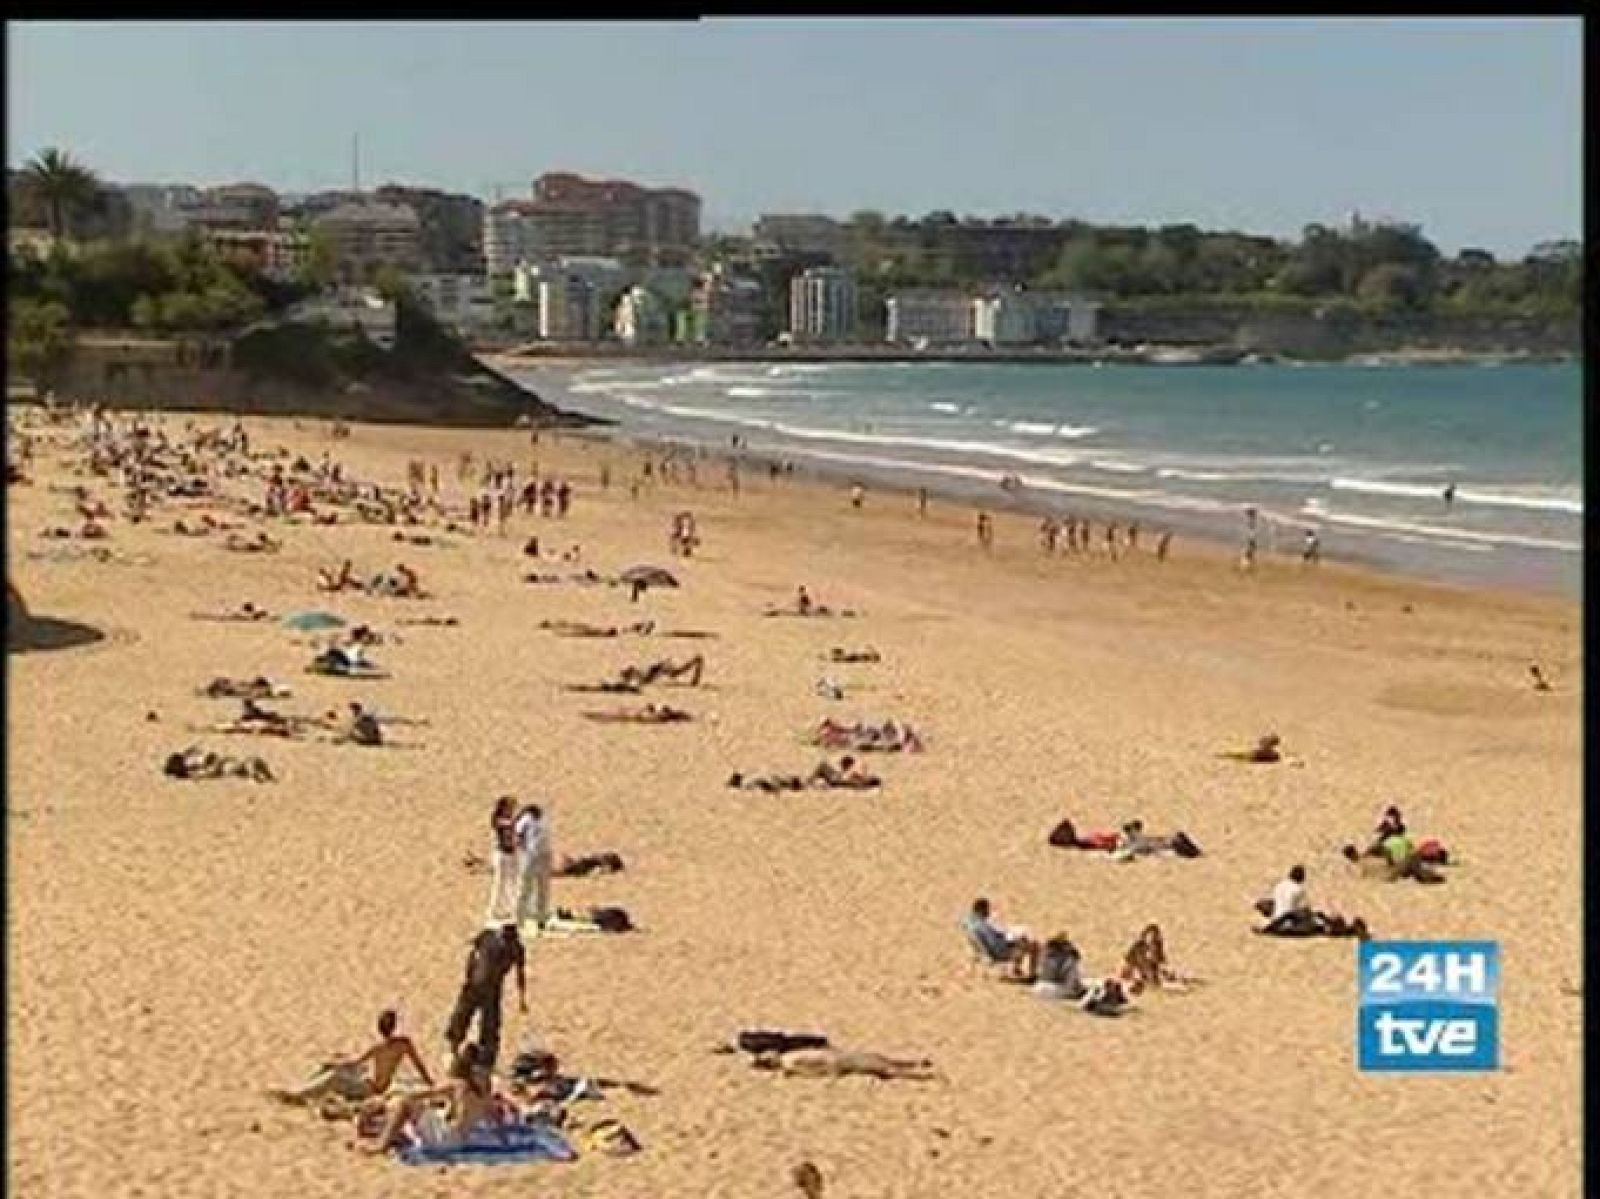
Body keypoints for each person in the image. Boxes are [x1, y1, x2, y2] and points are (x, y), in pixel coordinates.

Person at [363, 1042, 504, 1155]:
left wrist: (393, 1097)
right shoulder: (484, 1095)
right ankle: (384, 1136)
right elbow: (497, 1122)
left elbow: (423, 1093)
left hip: (444, 1139)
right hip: (459, 1143)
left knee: (405, 1104)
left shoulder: (457, 1084)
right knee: (414, 1118)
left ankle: (380, 1146)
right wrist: (505, 1142)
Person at [268, 1009, 433, 1104]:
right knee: (334, 1068)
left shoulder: (378, 1047)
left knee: (332, 1076)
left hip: (371, 1089)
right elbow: (419, 1065)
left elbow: (355, 1062)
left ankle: (299, 1093)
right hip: (377, 1083)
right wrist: (429, 1082)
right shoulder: (404, 1044)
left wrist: (335, 1063)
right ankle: (303, 1088)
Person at [445, 924, 527, 1070]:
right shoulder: (487, 937)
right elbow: (473, 952)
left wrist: (521, 997)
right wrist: (469, 974)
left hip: (493, 988)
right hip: (475, 984)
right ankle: (453, 1049)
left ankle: (485, 1060)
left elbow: (520, 973)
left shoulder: (516, 948)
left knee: (490, 1024)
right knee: (462, 1016)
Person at [750, 1047, 938, 1082]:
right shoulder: (790, 1059)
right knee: (884, 1065)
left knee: (885, 1066)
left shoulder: (790, 1062)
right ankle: (919, 1069)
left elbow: (817, 1066)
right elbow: (817, 1061)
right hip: (841, 1057)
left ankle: (920, 1070)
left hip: (841, 1060)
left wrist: (834, 1072)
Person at [962, 898, 1040, 979]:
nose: (988, 911)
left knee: (1020, 939)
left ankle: (1013, 968)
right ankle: (1031, 973)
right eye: (987, 909)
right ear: (983, 910)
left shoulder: (970, 924)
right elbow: (997, 943)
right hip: (999, 952)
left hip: (986, 952)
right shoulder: (984, 925)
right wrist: (1014, 937)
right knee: (1032, 944)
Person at [514, 802, 552, 936]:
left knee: (543, 889)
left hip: (544, 856)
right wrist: (523, 851)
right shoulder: (525, 820)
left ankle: (541, 919)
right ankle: (519, 919)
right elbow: (518, 837)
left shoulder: (544, 819)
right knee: (525, 888)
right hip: (529, 857)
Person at [483, 798, 521, 927]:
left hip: (512, 855)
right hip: (502, 856)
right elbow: (506, 824)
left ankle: (512, 909)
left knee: (513, 883)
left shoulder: (510, 821)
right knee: (500, 883)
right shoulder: (498, 820)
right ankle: (493, 911)